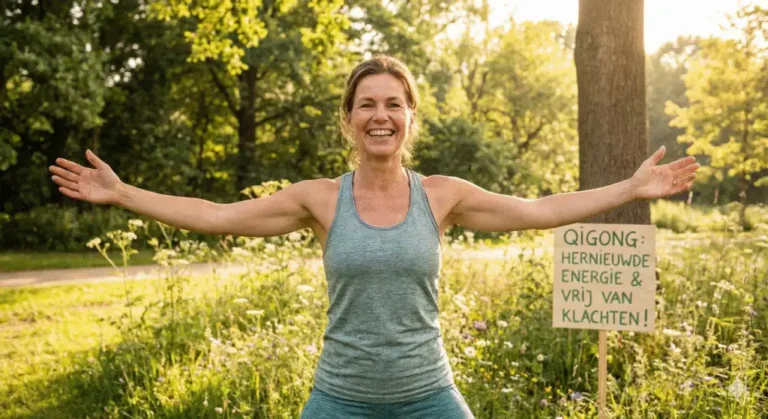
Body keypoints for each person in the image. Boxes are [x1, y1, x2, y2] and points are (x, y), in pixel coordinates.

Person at [49, 55, 699, 418]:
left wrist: (630, 188)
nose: (380, 114)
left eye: (393, 104)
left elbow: (539, 207)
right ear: (349, 119)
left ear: (409, 117)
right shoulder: (320, 200)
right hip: (340, 398)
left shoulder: (442, 195)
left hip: (429, 396)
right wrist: (123, 192)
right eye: (367, 104)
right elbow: (217, 214)